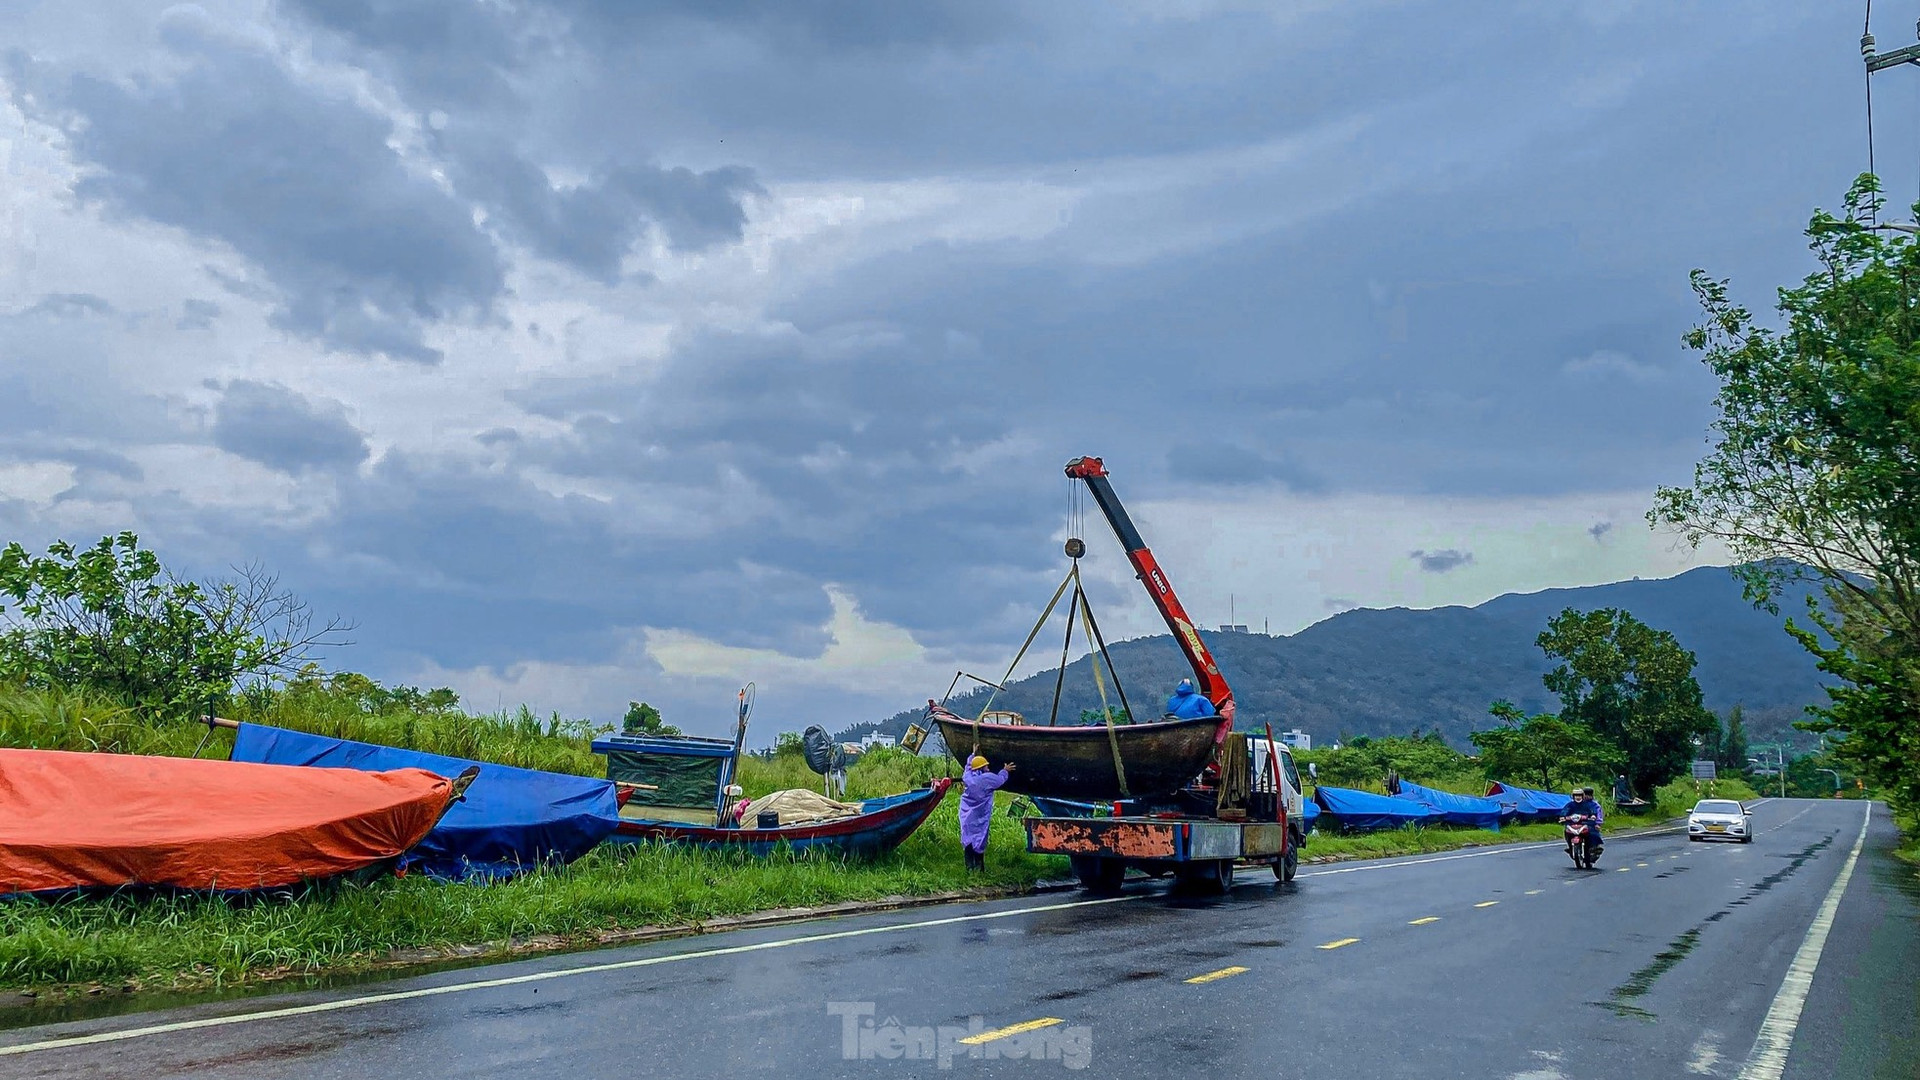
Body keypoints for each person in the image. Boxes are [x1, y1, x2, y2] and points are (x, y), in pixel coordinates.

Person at [959, 755, 1013, 871]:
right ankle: (979, 869)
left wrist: (972, 755)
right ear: (981, 768)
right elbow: (1000, 779)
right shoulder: (986, 779)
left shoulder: (968, 778)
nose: (988, 768)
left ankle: (969, 869)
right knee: (980, 838)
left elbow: (968, 768)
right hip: (980, 815)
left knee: (968, 839)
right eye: (986, 766)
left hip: (966, 814)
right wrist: (1005, 770)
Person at [1564, 785, 1605, 851]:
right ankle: (1570, 846)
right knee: (1567, 830)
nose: (1587, 796)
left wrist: (1598, 823)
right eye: (1585, 794)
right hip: (1577, 822)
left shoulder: (1595, 805)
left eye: (1589, 795)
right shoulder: (1578, 803)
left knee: (1593, 832)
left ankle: (1595, 846)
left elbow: (1598, 814)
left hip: (1590, 822)